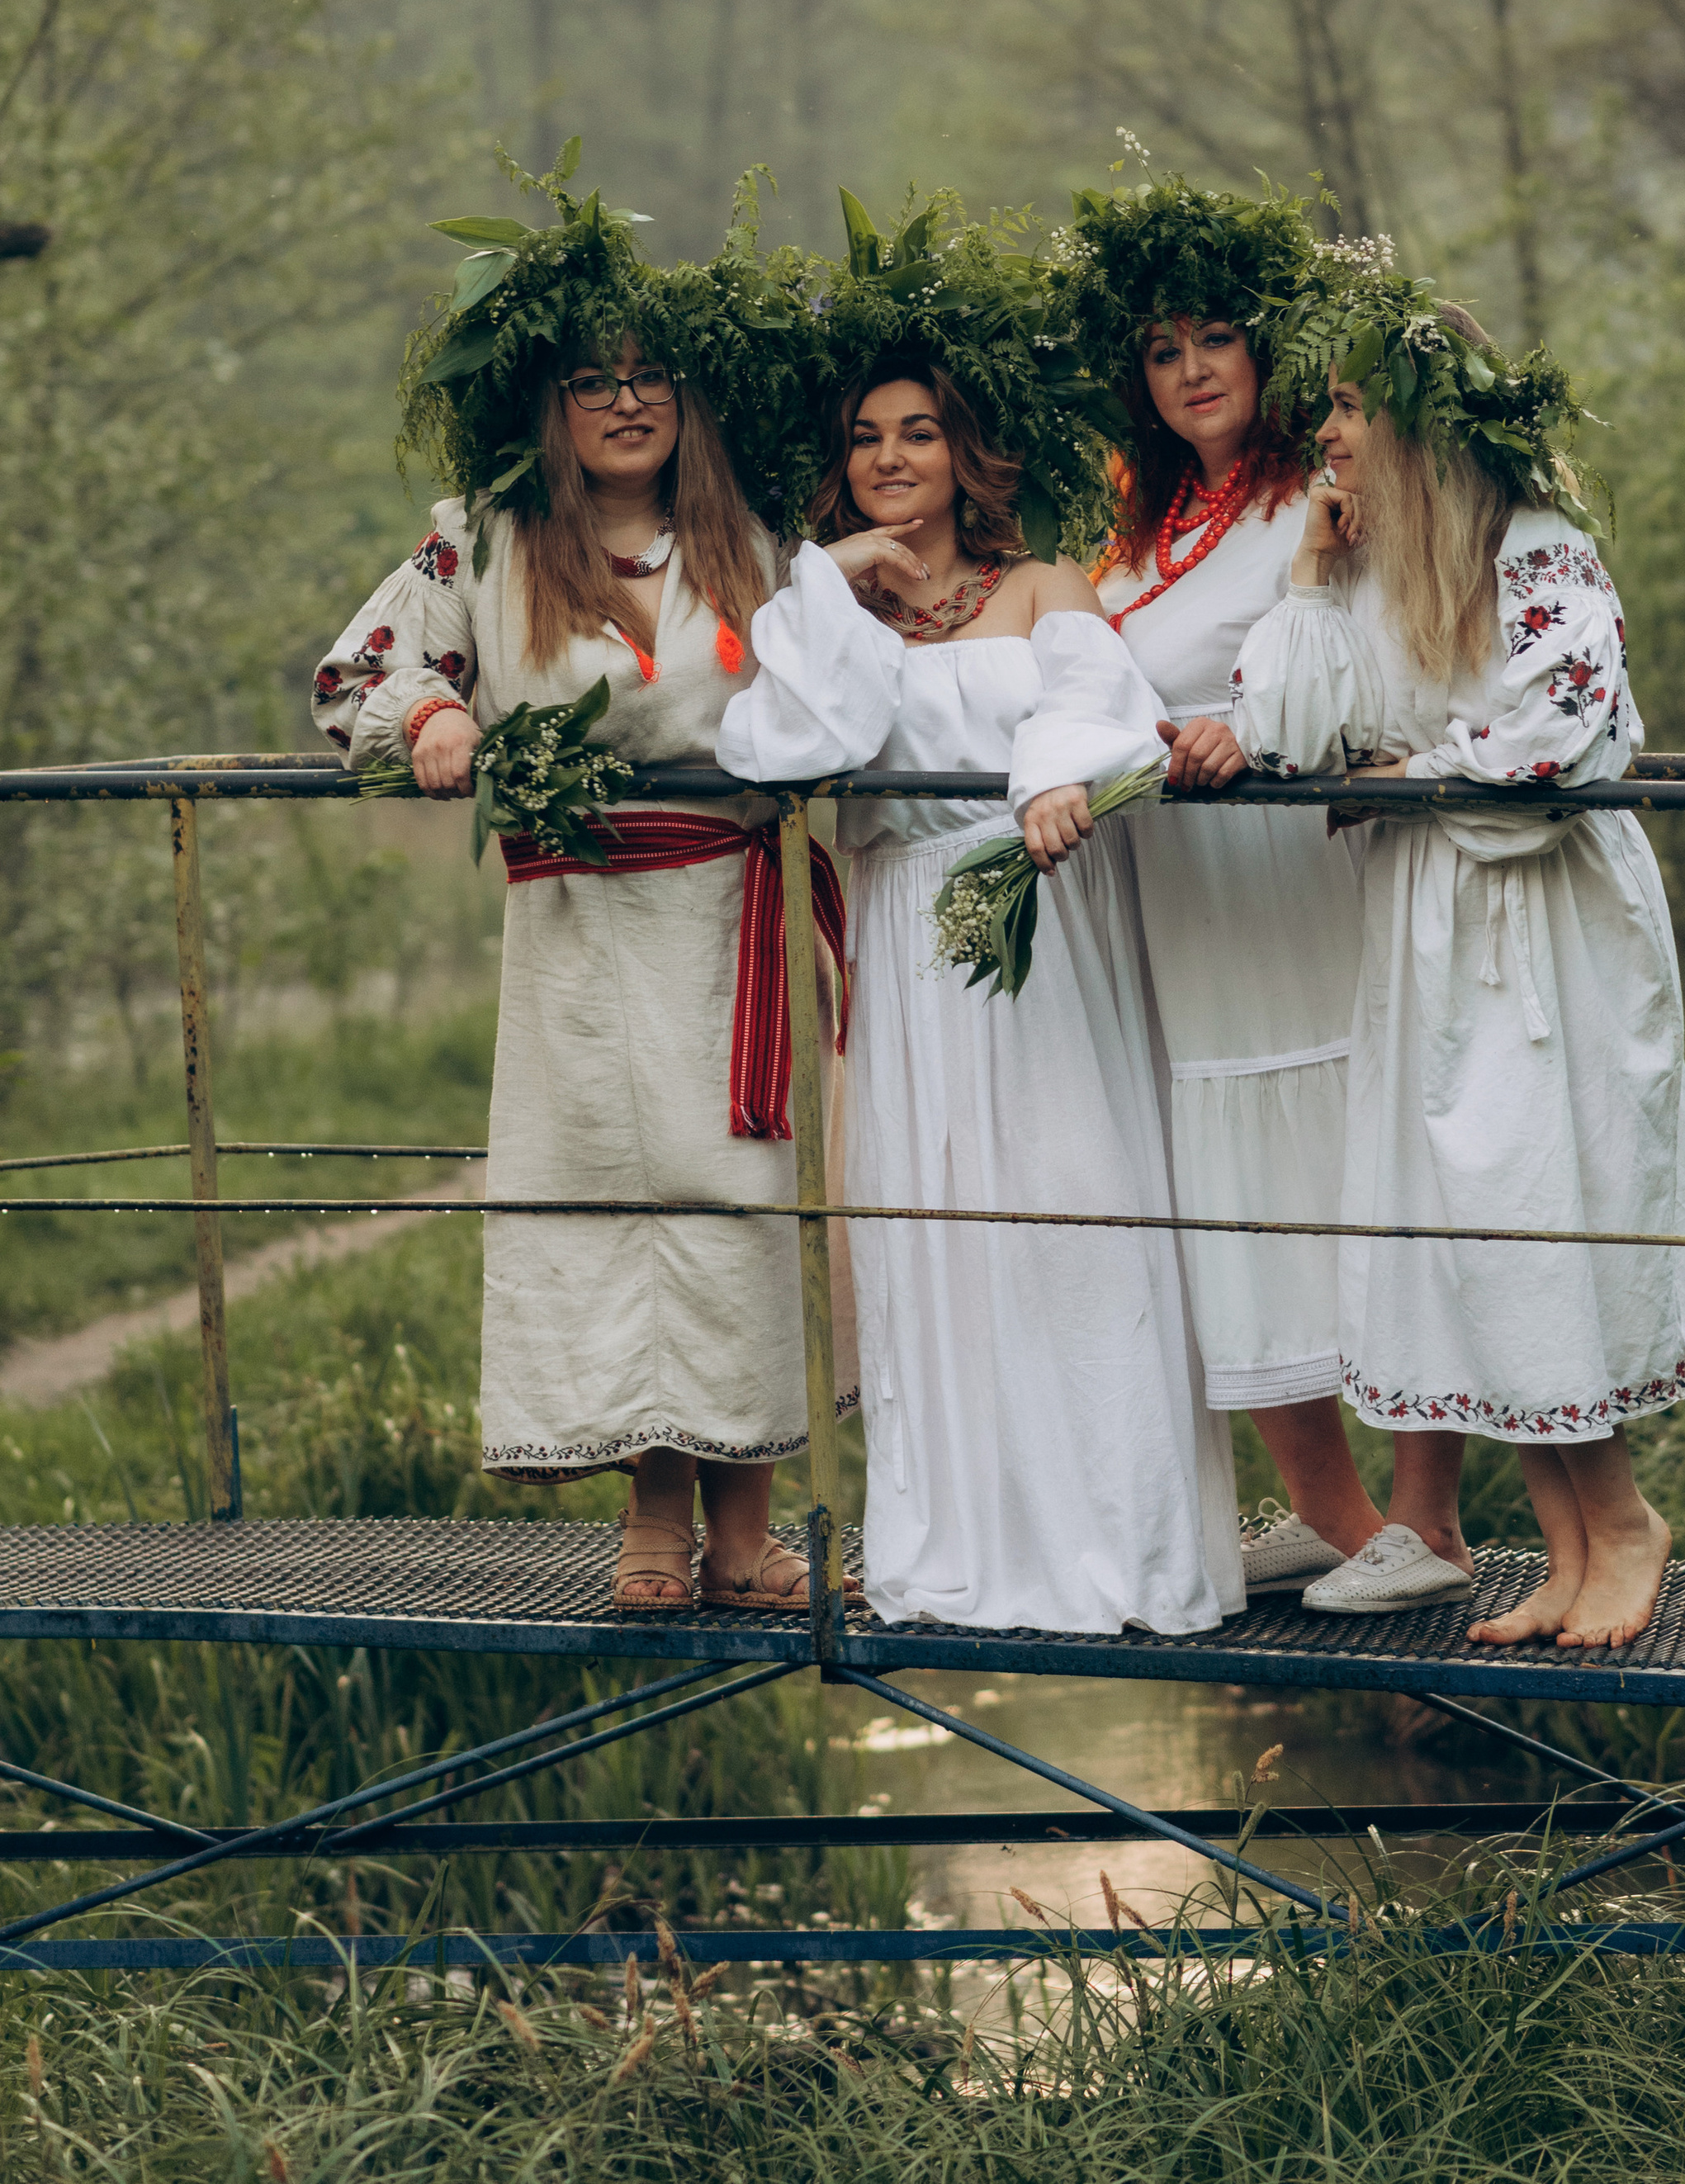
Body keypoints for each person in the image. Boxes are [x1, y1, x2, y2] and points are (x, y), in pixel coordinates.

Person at [313, 185, 844, 1618]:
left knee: (731, 1207)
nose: (625, 403)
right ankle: (652, 1521)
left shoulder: (761, 549)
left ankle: (746, 1525)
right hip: (575, 929)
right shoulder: (485, 543)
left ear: (688, 401)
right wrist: (431, 713)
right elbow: (356, 673)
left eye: (648, 378)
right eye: (595, 382)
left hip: (728, 918)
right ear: (551, 406)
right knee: (608, 1198)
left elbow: (867, 689)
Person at [1231, 295, 1685, 1647]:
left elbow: (1552, 755)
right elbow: (1284, 731)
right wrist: (1312, 579)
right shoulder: (1382, 572)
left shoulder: (1540, 551)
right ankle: (1567, 1551)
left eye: (1345, 406)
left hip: (1542, 939)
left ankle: (1624, 1524)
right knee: (1470, 1242)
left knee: (1533, 1215)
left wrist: (1410, 777)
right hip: (1429, 939)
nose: (1323, 433)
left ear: (1415, 417)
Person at [720, 348, 1242, 1638]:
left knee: (1075, 1206)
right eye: (864, 438)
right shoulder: (830, 616)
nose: (890, 459)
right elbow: (783, 736)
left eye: (918, 434)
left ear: (966, 454)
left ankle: (1119, 1545)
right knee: (935, 1227)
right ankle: (957, 1548)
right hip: (905, 929)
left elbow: (1098, 702)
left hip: (1035, 904)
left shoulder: (1041, 585)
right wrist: (834, 577)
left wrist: (1049, 781)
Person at [1072, 179, 1384, 1600]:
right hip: (1178, 896)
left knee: (1358, 1170)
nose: (1192, 368)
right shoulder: (1137, 531)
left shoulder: (1325, 499)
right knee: (1230, 1191)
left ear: (1263, 352)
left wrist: (1256, 725)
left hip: (1295, 880)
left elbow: (1370, 656)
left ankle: (1425, 1523)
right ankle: (1336, 1518)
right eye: (1161, 350)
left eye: (1214, 339)